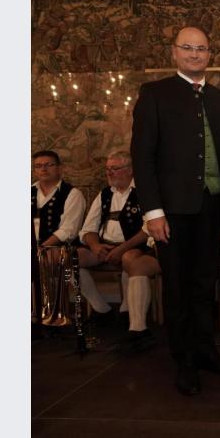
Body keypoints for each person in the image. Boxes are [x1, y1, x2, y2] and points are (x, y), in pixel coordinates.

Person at [131, 26, 220, 396]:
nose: (195, 54)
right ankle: (185, 362)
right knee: (177, 288)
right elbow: (142, 158)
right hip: (172, 212)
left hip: (213, 207)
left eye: (202, 49)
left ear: (210, 54)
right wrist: (153, 212)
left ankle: (207, 352)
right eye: (188, 48)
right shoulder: (154, 94)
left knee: (204, 285)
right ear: (174, 52)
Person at [76, 150, 160, 353]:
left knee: (130, 259)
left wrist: (122, 249)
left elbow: (148, 228)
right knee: (69, 258)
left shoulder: (145, 192)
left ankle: (134, 322)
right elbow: (87, 229)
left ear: (130, 170)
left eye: (115, 168)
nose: (110, 173)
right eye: (108, 169)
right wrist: (96, 246)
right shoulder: (104, 194)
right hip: (105, 246)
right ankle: (101, 308)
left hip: (136, 247)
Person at [31, 150, 86, 333]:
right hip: (33, 247)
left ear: (60, 168)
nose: (43, 169)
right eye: (38, 166)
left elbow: (68, 230)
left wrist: (41, 248)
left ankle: (49, 317)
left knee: (43, 260)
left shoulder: (72, 194)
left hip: (60, 248)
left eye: (49, 165)